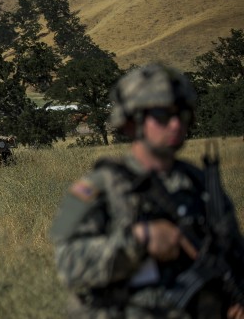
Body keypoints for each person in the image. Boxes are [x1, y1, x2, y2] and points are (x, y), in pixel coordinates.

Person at [50, 63, 244, 318]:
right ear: (132, 122)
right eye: (162, 115)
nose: (175, 124)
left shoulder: (200, 184)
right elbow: (68, 265)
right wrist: (140, 240)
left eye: (182, 114)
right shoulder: (101, 186)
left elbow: (234, 253)